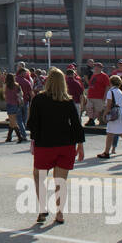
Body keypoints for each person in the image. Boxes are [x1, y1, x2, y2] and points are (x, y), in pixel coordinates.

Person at [25, 68, 85, 225]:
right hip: (66, 145)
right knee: (61, 181)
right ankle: (59, 213)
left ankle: (43, 208)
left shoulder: (39, 99)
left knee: (39, 177)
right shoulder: (68, 100)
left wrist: (35, 138)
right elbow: (77, 124)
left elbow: (32, 123)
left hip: (45, 144)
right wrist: (80, 144)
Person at [96, 75, 122, 158]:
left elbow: (109, 105)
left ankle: (106, 152)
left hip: (114, 113)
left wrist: (104, 114)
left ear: (111, 82)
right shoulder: (120, 92)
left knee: (110, 132)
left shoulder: (111, 91)